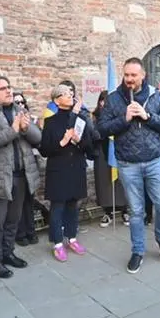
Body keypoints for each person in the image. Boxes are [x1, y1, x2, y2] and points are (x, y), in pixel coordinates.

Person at [97, 58, 160, 273]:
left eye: (134, 75)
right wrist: (125, 118)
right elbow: (101, 129)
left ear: (142, 76)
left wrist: (147, 116)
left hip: (155, 160)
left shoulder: (154, 95)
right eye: (127, 75)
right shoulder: (114, 99)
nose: (130, 79)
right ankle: (138, 250)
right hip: (128, 163)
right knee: (136, 210)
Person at [0, 76, 39, 278]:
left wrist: (25, 128)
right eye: (3, 88)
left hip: (21, 175)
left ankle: (8, 253)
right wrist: (13, 130)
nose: (9, 91)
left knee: (14, 220)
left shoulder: (19, 111)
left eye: (9, 87)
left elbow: (38, 138)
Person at [40, 84, 95, 261]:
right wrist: (62, 142)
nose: (70, 96)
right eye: (65, 94)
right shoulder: (50, 122)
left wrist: (79, 141)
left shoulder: (81, 120)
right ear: (56, 100)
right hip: (58, 170)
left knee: (73, 204)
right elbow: (44, 149)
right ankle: (57, 243)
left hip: (76, 167)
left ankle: (72, 237)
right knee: (58, 207)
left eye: (71, 93)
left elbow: (89, 147)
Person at [92, 91, 128, 228]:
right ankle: (107, 212)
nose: (104, 103)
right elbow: (93, 133)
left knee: (121, 182)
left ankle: (124, 210)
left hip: (118, 151)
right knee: (104, 183)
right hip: (102, 152)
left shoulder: (120, 115)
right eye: (102, 100)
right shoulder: (95, 117)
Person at [12, 92, 40, 246]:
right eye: (17, 102)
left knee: (29, 202)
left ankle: (31, 231)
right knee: (18, 204)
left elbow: (38, 139)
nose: (20, 105)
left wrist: (27, 127)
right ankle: (20, 233)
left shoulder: (31, 118)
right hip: (16, 166)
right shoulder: (9, 118)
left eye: (22, 102)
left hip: (29, 165)